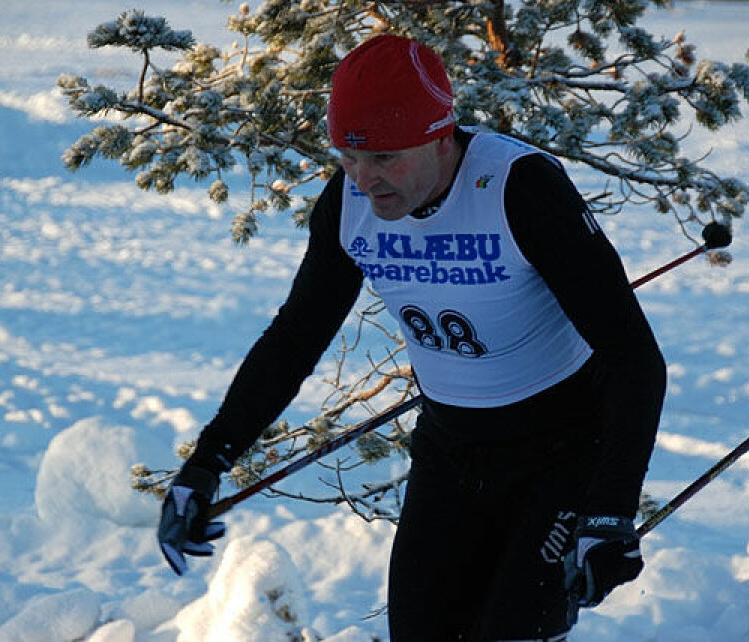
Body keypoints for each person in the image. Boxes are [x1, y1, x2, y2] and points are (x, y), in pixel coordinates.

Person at [157, 34, 666, 641]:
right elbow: (296, 337)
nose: (365, 180)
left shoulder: (518, 189)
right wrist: (207, 462)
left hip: (561, 452)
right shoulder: (349, 203)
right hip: (450, 451)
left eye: (385, 158)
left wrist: (609, 510)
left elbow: (634, 357)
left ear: (440, 136)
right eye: (348, 155)